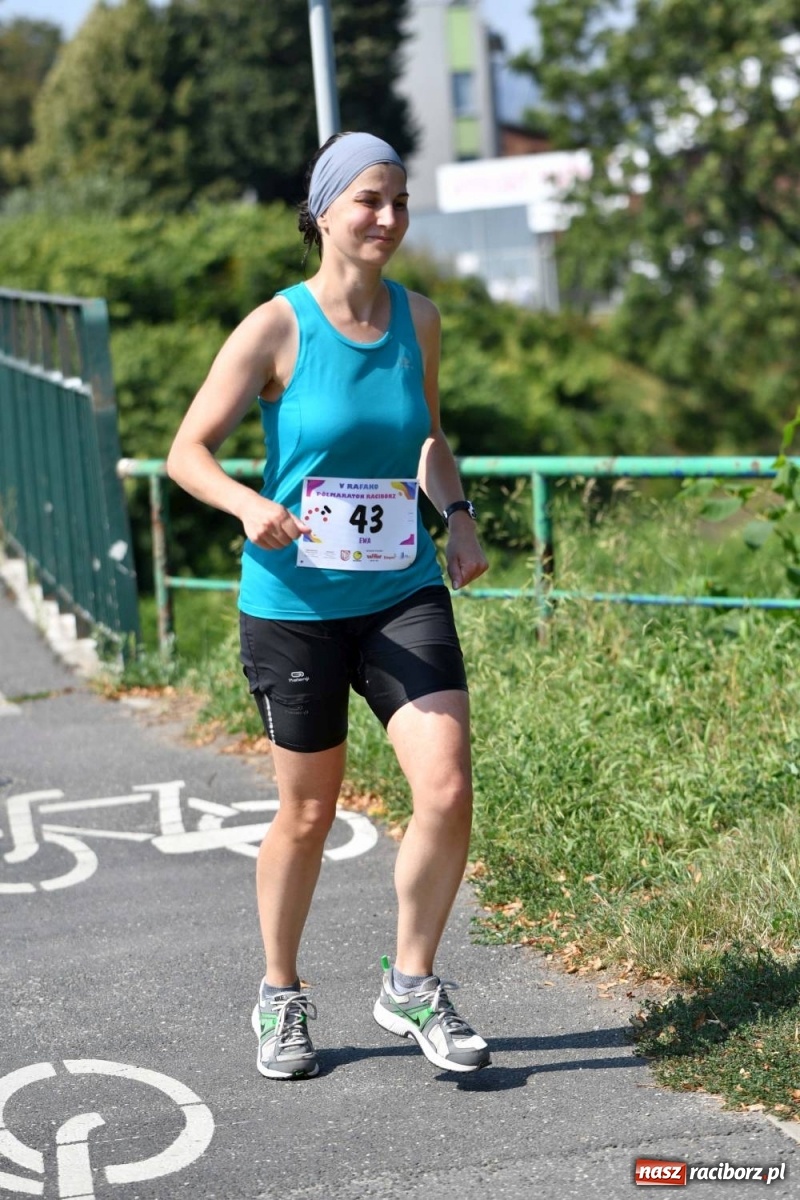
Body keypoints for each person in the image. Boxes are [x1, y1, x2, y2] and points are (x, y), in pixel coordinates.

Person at [166, 131, 490, 1079]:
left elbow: (426, 437)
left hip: (401, 586)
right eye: (368, 202)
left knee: (446, 785)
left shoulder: (418, 319)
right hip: (295, 602)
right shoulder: (276, 327)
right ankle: (280, 995)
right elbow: (190, 450)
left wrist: (458, 516)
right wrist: (248, 503)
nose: (387, 219)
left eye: (397, 201)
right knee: (307, 816)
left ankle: (412, 982)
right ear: (323, 213)